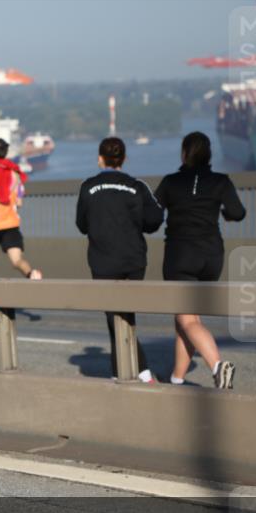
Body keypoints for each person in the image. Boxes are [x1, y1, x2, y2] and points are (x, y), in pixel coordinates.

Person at [155, 132, 246, 389]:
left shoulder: (171, 182)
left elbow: (151, 215)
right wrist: (225, 214)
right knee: (186, 319)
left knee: (188, 319)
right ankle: (177, 378)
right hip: (211, 257)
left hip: (181, 256)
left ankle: (218, 367)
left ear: (184, 154)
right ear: (209, 155)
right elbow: (238, 212)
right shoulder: (220, 181)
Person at [76, 137, 164, 383]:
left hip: (102, 261)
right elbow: (155, 219)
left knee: (114, 317)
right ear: (123, 159)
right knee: (124, 316)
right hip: (134, 261)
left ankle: (141, 372)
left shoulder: (88, 186)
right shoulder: (137, 186)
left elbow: (81, 225)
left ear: (99, 158)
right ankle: (122, 372)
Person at [0, 137, 42, 318]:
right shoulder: (15, 172)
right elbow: (19, 198)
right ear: (6, 152)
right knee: (16, 260)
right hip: (11, 222)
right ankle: (32, 273)